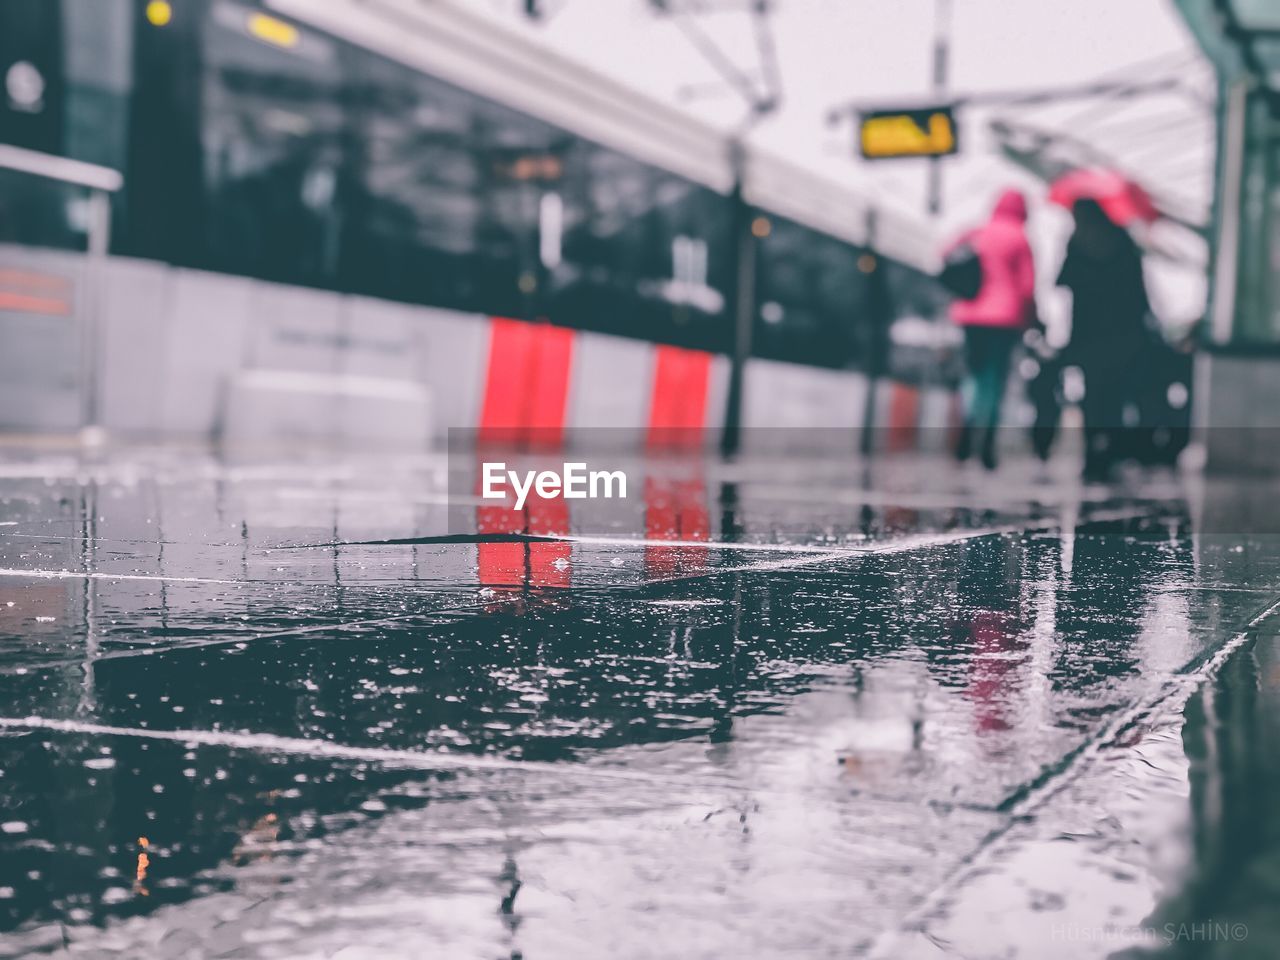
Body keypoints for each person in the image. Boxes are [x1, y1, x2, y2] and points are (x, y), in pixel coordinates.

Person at [1055, 198, 1150, 481]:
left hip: (1088, 334)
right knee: (1115, 395)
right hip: (1122, 335)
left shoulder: (1077, 244)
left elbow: (1061, 282)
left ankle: (1092, 451)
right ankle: (1111, 448)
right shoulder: (1123, 242)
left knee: (1092, 395)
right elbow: (1138, 295)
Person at [948, 189, 1037, 470]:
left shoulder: (977, 231)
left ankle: (965, 435)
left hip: (970, 315)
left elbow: (946, 254)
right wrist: (1033, 319)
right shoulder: (1019, 238)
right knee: (994, 381)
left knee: (972, 377)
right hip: (1004, 319)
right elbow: (1027, 286)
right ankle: (985, 444)